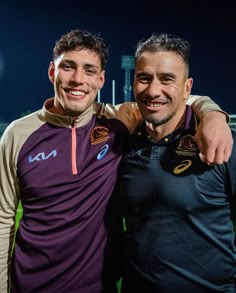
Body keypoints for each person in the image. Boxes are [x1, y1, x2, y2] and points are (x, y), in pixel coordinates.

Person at [0, 29, 233, 293]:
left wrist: (212, 112)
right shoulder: (20, 135)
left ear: (100, 80)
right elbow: (2, 218)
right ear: (52, 72)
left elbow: (168, 98)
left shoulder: (116, 123)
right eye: (68, 67)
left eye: (89, 71)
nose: (78, 79)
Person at [114, 33, 236, 292]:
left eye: (167, 79)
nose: (153, 90)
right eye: (144, 78)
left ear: (187, 88)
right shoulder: (121, 144)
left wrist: (213, 114)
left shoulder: (220, 142)